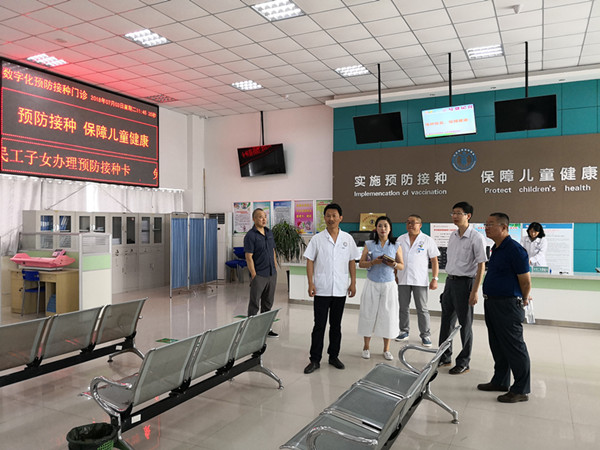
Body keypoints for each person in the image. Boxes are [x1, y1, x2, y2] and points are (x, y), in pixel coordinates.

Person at [480, 212, 532, 403]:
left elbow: (525, 281)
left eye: (490, 224)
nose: (486, 228)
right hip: (492, 302)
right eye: (486, 224)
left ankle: (520, 389)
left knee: (514, 346)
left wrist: (524, 298)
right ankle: (500, 381)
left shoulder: (515, 250)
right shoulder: (496, 248)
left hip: (508, 304)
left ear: (504, 227)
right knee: (497, 344)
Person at [302, 203, 359, 374]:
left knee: (336, 326)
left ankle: (333, 356)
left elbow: (352, 261)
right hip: (322, 288)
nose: (331, 219)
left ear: (340, 218)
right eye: (328, 215)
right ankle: (314, 359)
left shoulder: (347, 239)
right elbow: (310, 261)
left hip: (340, 289)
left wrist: (353, 282)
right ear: (324, 218)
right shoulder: (317, 239)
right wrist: (310, 283)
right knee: (319, 325)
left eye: (334, 215)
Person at [438, 201, 487, 375]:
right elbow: (452, 262)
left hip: (466, 284)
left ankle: (464, 361)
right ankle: (444, 357)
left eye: (459, 213)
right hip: (450, 282)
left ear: (468, 216)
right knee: (446, 322)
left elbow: (481, 266)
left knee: (465, 324)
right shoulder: (453, 235)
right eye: (453, 213)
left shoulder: (476, 237)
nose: (455, 216)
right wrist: (447, 287)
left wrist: (475, 291)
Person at [358, 216, 404, 360]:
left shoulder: (396, 245)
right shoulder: (369, 244)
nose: (382, 229)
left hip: (389, 285)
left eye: (385, 226)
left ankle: (386, 349)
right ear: (376, 228)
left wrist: (393, 264)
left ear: (390, 229)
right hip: (372, 283)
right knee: (368, 313)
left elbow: (402, 266)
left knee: (388, 315)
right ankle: (366, 347)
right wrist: (373, 262)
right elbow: (361, 263)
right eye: (380, 226)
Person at [395, 214, 440, 347]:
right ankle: (404, 331)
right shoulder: (400, 239)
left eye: (413, 222)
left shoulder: (427, 240)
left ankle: (425, 335)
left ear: (420, 225)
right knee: (403, 307)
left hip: (420, 279)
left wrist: (435, 278)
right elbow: (396, 259)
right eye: (408, 222)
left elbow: (434, 261)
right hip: (403, 278)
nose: (410, 225)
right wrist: (395, 274)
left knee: (422, 308)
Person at [244, 208, 278, 337]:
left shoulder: (269, 232)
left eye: (265, 216)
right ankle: (251, 331)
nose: (263, 219)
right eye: (260, 217)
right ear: (254, 219)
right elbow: (249, 257)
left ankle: (266, 329)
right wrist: (253, 274)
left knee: (268, 303)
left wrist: (274, 265)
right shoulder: (250, 236)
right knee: (254, 303)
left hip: (271, 273)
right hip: (259, 274)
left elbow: (273, 250)